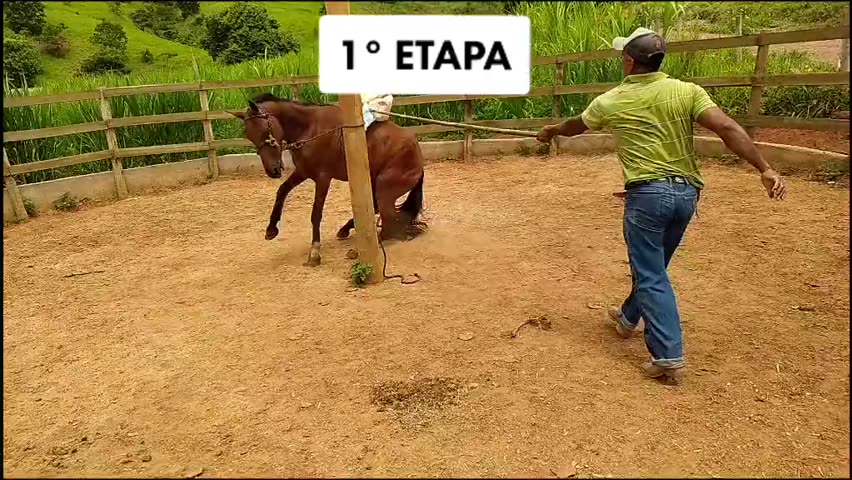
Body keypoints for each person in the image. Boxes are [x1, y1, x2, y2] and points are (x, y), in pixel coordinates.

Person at [535, 27, 787, 385]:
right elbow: (727, 128)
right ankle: (628, 318)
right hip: (686, 195)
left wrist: (550, 131)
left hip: (648, 197)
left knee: (651, 273)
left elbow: (576, 126)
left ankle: (668, 356)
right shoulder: (686, 91)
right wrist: (764, 168)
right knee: (654, 265)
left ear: (628, 61)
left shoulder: (611, 100)